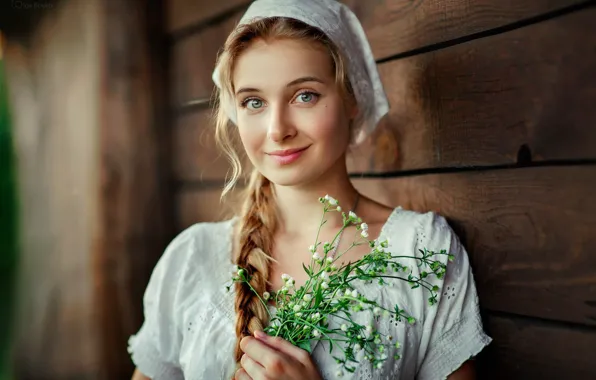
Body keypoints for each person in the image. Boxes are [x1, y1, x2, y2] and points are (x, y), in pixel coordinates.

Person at [128, 0, 492, 379]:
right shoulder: (192, 259)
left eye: (305, 95)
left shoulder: (420, 253)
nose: (277, 129)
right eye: (254, 102)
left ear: (351, 97)